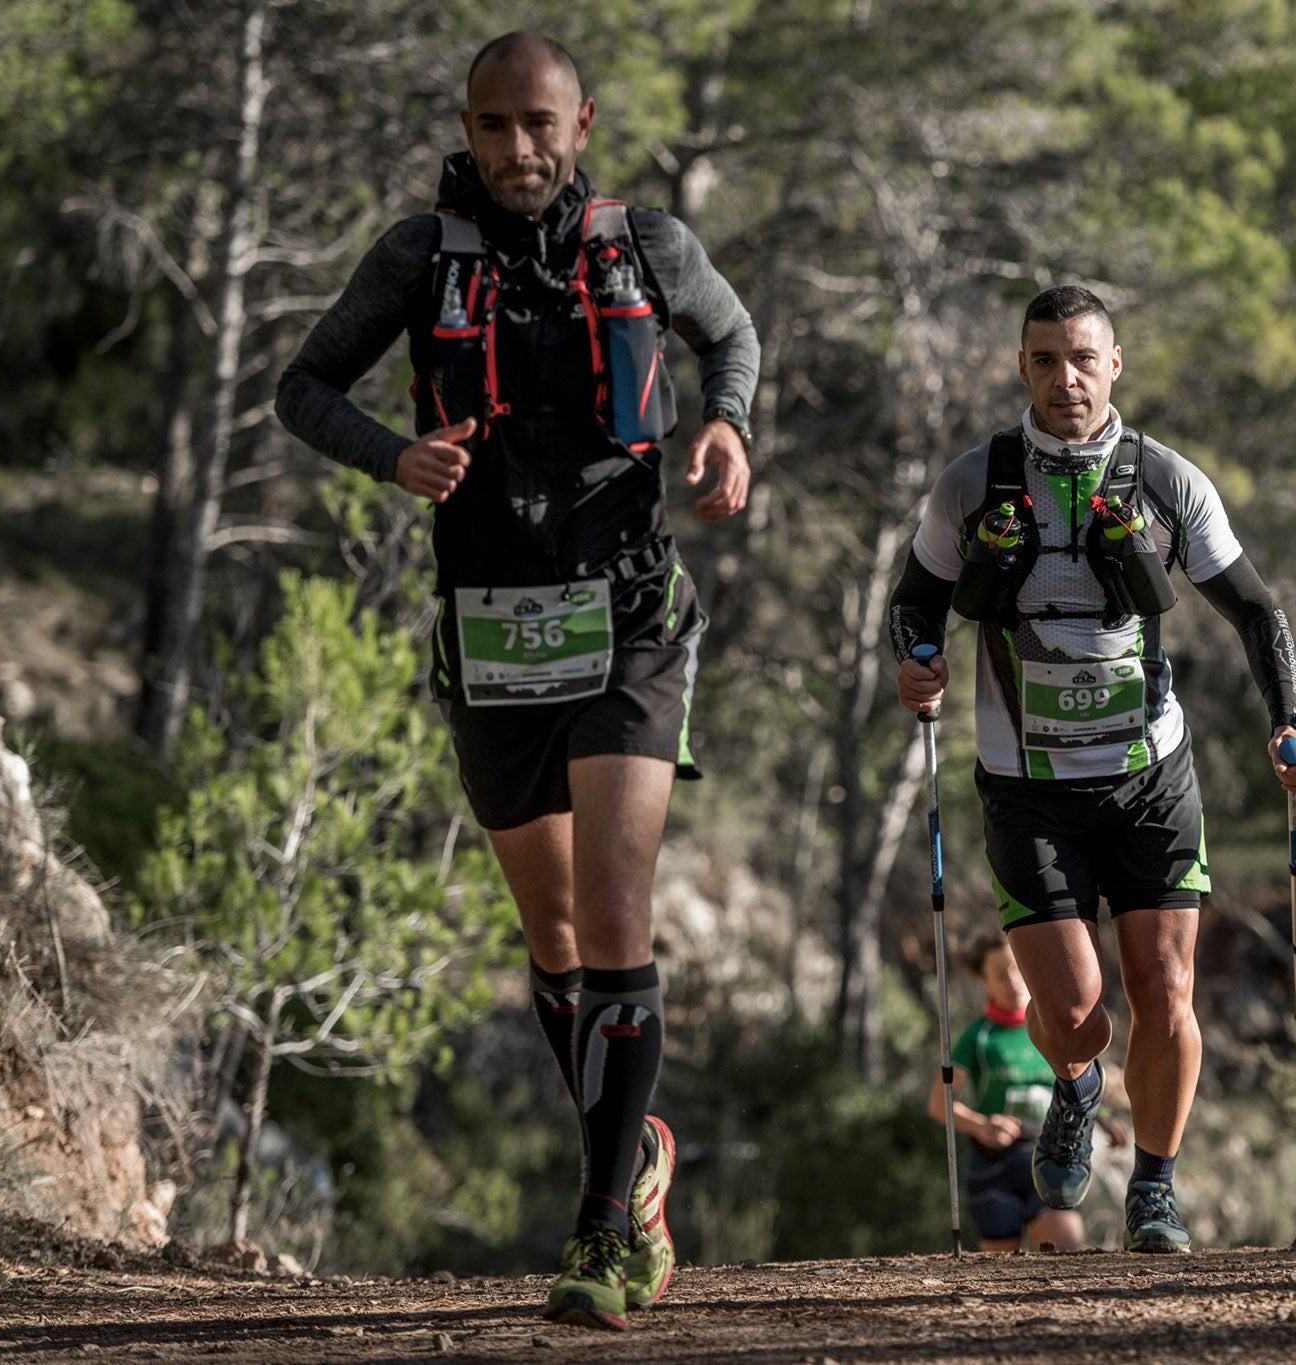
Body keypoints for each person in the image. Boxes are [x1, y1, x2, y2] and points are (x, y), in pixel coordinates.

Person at [275, 31, 758, 1330]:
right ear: (470, 129)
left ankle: (606, 1230)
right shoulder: (418, 258)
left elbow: (732, 339)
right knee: (550, 939)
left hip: (633, 618)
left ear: (582, 122)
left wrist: (728, 425)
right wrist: (391, 456)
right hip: (489, 632)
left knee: (611, 916)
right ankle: (635, 1157)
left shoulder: (648, 244)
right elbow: (299, 384)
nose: (518, 150)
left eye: (540, 124)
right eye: (494, 127)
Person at [888, 285, 1296, 1254]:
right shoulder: (972, 485)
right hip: (1025, 785)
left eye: (1082, 358)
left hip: (1148, 777)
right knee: (1076, 1017)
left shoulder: (1166, 482)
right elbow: (913, 603)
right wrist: (915, 665)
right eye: (1043, 360)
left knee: (1165, 992)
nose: (1064, 379)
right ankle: (1078, 1083)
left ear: (1113, 364)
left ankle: (1155, 1190)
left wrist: (1287, 722)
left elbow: (1256, 612)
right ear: (1021, 368)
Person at [929, 930, 1086, 1253]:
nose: (1013, 981)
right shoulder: (979, 1037)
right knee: (1003, 1280)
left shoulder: (1054, 1028)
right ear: (985, 983)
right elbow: (938, 1104)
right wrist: (982, 1125)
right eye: (1000, 975)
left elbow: (1081, 1084)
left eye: (1019, 970)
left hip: (1049, 1159)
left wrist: (1105, 1119)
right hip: (993, 1168)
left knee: (1067, 1256)